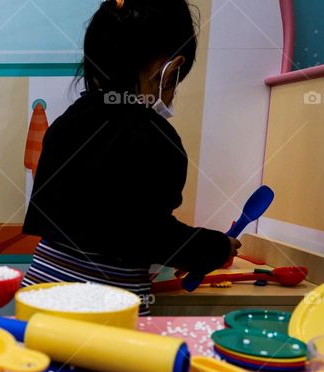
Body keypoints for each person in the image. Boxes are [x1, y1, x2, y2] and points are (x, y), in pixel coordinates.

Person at [22, 0, 240, 314]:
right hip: (106, 315)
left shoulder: (65, 124)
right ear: (170, 70)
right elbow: (153, 235)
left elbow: (101, 221)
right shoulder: (156, 138)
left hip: (38, 297)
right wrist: (215, 248)